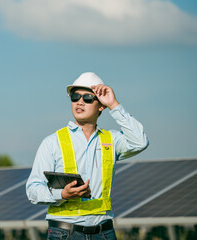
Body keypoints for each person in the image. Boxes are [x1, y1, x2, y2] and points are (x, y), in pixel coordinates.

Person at [26, 72, 149, 240]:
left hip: (104, 232)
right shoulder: (52, 142)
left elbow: (140, 141)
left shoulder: (112, 140)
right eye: (75, 96)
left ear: (101, 106)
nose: (80, 102)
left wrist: (114, 105)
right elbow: (33, 189)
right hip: (64, 233)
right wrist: (61, 195)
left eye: (88, 98)